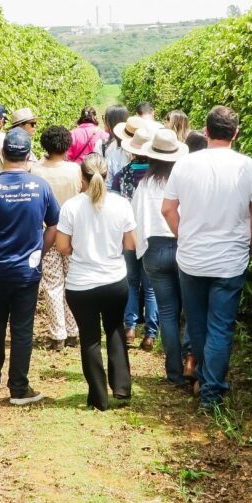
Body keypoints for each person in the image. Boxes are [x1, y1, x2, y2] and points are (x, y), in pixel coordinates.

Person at [162, 106, 252, 410]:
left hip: (192, 259)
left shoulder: (185, 165)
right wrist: (249, 248)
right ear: (235, 133)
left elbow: (168, 210)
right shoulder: (248, 167)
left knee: (196, 323)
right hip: (230, 260)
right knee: (221, 325)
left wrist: (185, 237)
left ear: (206, 132)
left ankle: (203, 377)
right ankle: (212, 393)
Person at [0, 128, 60, 405]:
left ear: (2, 153)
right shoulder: (40, 187)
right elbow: (54, 224)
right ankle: (19, 387)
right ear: (29, 155)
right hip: (27, 271)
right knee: (22, 327)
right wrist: (40, 253)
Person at [55, 154, 136, 409]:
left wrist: (81, 249)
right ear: (107, 174)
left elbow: (62, 246)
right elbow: (130, 244)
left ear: (82, 177)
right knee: (114, 329)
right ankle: (121, 386)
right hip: (114, 280)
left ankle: (98, 397)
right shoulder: (121, 205)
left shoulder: (71, 207)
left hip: (81, 285)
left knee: (89, 338)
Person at [124, 126, 189, 384]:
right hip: (183, 246)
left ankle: (173, 372)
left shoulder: (146, 184)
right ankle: (191, 362)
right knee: (190, 310)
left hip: (154, 248)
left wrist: (140, 252)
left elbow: (136, 221)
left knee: (168, 312)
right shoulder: (184, 181)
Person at [110, 115, 160, 351]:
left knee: (131, 282)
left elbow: (116, 206)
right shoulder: (157, 176)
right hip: (151, 233)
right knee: (150, 287)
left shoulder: (122, 175)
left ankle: (129, 327)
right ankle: (150, 333)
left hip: (128, 233)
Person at [32, 125, 83, 350]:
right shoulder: (75, 170)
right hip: (73, 233)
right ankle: (73, 330)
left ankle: (58, 334)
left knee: (52, 283)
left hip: (47, 231)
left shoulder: (35, 170)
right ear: (67, 145)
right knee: (72, 281)